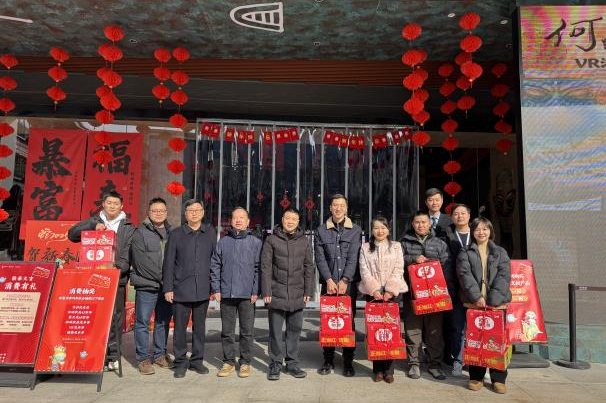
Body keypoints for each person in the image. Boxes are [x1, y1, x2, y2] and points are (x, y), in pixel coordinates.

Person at [68, 190, 135, 371]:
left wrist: (117, 268)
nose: (112, 206)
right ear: (103, 204)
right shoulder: (94, 221)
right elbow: (72, 235)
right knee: (93, 316)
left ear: (121, 206)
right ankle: (93, 353)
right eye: (109, 203)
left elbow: (128, 252)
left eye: (116, 203)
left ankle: (113, 355)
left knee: (115, 318)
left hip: (116, 278)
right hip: (91, 279)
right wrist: (91, 226)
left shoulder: (128, 226)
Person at [456, 217, 511, 394]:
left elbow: (504, 276)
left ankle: (498, 378)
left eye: (485, 229)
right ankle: (476, 377)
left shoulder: (500, 252)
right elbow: (464, 275)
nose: (481, 232)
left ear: (490, 231)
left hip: (497, 305)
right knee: (475, 341)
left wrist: (493, 299)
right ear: (472, 232)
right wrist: (477, 297)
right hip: (474, 304)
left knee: (496, 341)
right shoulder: (465, 252)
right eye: (477, 229)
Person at [163, 199, 217, 378]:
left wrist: (215, 287)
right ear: (185, 214)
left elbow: (215, 260)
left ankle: (197, 361)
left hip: (202, 288)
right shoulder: (176, 234)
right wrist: (168, 288)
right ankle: (180, 362)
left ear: (203, 212)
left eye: (197, 210)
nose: (194, 213)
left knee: (199, 328)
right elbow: (168, 262)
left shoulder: (209, 232)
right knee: (179, 329)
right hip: (180, 288)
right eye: (190, 210)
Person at [261, 207, 314, 381]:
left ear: (298, 222)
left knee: (294, 330)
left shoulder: (304, 241)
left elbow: (309, 267)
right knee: (275, 332)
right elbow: (266, 267)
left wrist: (308, 290)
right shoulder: (271, 239)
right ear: (282, 219)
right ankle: (275, 364)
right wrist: (266, 290)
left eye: (294, 219)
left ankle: (292, 363)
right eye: (287, 218)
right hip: (276, 291)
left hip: (297, 292)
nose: (290, 221)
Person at [210, 207, 262, 379]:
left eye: (242, 217)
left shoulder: (255, 243)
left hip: (247, 295)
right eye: (235, 218)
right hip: (227, 293)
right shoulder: (223, 242)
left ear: (248, 222)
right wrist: (216, 288)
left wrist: (256, 290)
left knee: (247, 331)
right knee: (227, 331)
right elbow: (215, 266)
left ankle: (245, 362)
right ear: (231, 221)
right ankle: (229, 362)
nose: (238, 220)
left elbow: (258, 269)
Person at [314, 194, 362, 377]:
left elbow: (354, 257)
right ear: (330, 208)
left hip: (347, 286)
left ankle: (348, 361)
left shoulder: (355, 230)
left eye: (342, 205)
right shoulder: (321, 230)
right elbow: (319, 258)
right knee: (328, 322)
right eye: (335, 205)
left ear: (346, 208)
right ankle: (328, 360)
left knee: (348, 322)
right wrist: (328, 279)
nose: (338, 208)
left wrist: (345, 279)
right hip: (329, 284)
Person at [401, 210, 451, 380]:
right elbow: (398, 261)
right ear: (412, 224)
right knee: (413, 329)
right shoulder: (404, 242)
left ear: (430, 224)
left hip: (435, 294)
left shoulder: (439, 243)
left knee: (434, 331)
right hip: (413, 294)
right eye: (417, 222)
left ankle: (434, 364)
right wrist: (413, 259)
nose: (420, 225)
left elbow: (447, 266)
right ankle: (414, 363)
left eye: (424, 222)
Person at [358, 216, 407, 383]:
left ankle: (389, 370)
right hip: (373, 294)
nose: (380, 231)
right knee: (375, 330)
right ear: (372, 230)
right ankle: (378, 369)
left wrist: (390, 290)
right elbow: (364, 270)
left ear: (389, 229)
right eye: (376, 228)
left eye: (383, 228)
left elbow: (399, 268)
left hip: (391, 294)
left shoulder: (396, 246)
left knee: (391, 330)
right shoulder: (365, 247)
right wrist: (374, 289)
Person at [130, 197, 174, 375]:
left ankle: (159, 355)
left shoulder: (172, 232)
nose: (158, 213)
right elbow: (141, 263)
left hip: (166, 287)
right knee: (142, 322)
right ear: (148, 212)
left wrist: (170, 281)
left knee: (163, 321)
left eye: (162, 210)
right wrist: (165, 278)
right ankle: (142, 359)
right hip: (147, 285)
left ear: (166, 212)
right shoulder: (140, 232)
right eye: (155, 210)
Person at [444, 203, 472, 376]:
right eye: (456, 214)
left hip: (476, 289)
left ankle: (475, 359)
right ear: (452, 217)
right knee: (457, 326)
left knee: (475, 327)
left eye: (463, 213)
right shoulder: (447, 235)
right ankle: (458, 359)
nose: (460, 216)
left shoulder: (477, 233)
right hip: (455, 288)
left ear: (469, 215)